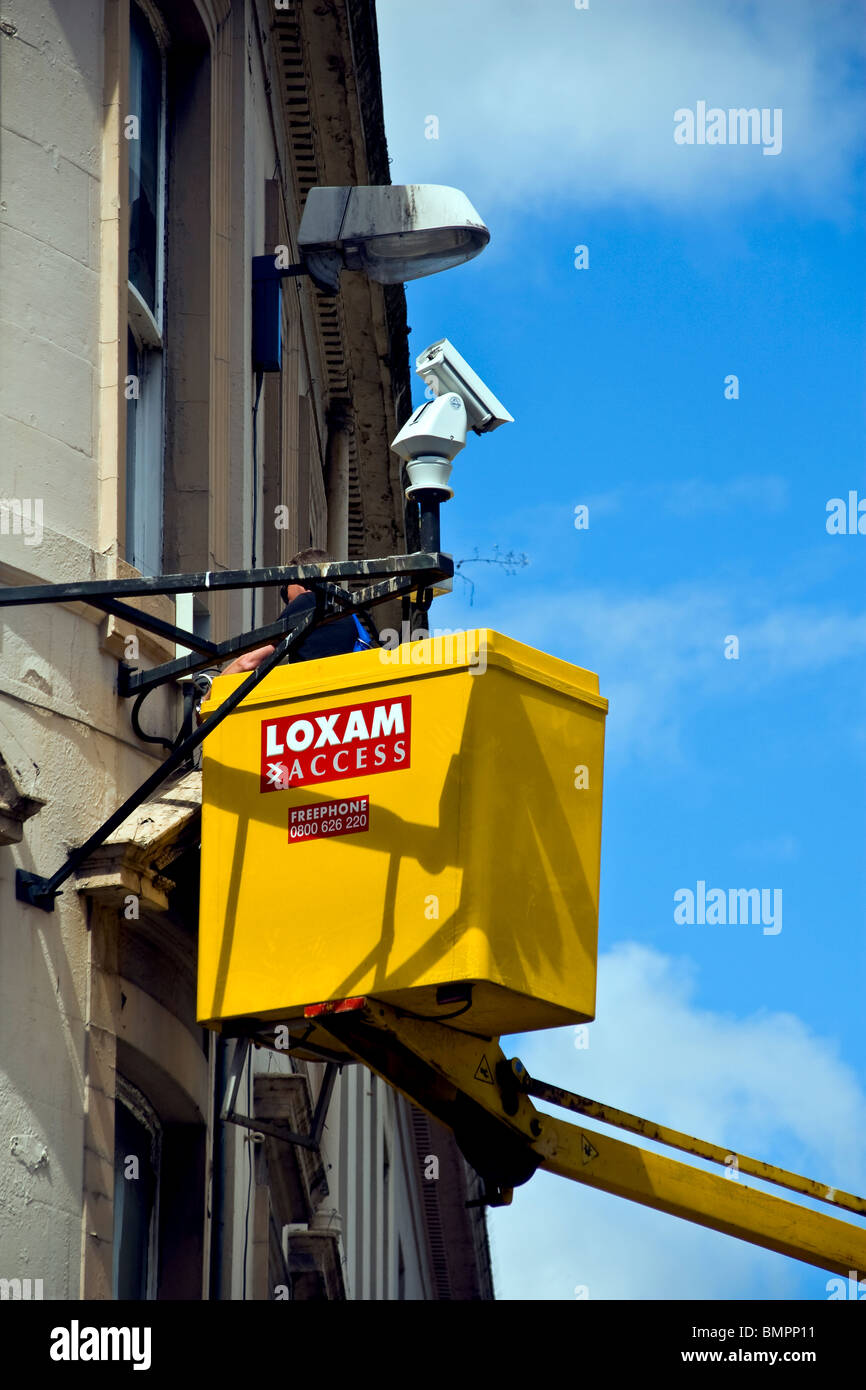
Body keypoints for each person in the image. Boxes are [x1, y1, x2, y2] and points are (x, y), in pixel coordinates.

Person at [220, 547, 378, 677]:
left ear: (301, 580)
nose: (285, 594)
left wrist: (209, 694)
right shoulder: (345, 612)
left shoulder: (307, 601)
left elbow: (248, 662)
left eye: (287, 583)